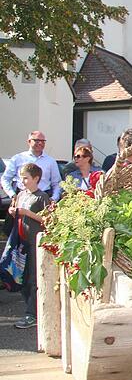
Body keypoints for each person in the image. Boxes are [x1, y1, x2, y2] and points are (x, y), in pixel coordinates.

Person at [8, 163, 51, 329]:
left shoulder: (41, 197)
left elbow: (47, 219)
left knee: (34, 278)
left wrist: (27, 213)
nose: (23, 181)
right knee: (22, 277)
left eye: (26, 178)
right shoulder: (21, 195)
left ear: (36, 178)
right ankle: (31, 309)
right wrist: (14, 211)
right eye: (21, 177)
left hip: (35, 241)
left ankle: (32, 313)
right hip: (21, 240)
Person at [1, 130, 62, 203]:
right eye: (36, 140)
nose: (40, 143)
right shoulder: (18, 158)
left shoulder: (51, 161)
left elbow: (57, 183)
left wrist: (53, 199)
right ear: (29, 142)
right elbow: (5, 179)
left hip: (44, 198)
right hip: (22, 198)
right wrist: (12, 195)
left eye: (43, 141)